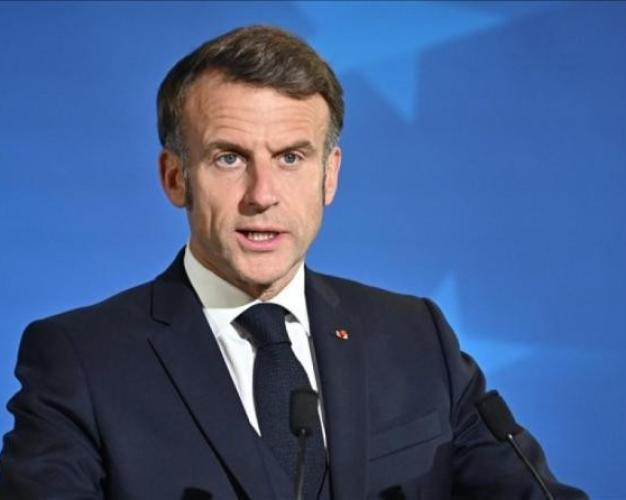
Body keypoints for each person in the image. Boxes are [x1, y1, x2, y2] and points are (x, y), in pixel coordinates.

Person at [0, 25, 587, 500]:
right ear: (175, 177)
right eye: (229, 158)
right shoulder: (81, 361)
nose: (263, 195)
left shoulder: (416, 338)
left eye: (290, 158)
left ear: (329, 175)